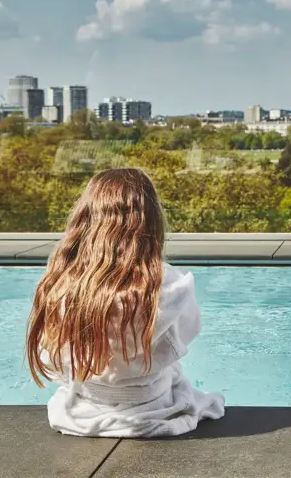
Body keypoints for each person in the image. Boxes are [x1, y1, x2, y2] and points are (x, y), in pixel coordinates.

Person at [26, 168, 224, 437]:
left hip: (85, 407)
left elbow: (51, 359)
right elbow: (187, 334)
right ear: (151, 220)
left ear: (86, 217)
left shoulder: (62, 285)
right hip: (151, 403)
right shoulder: (169, 285)